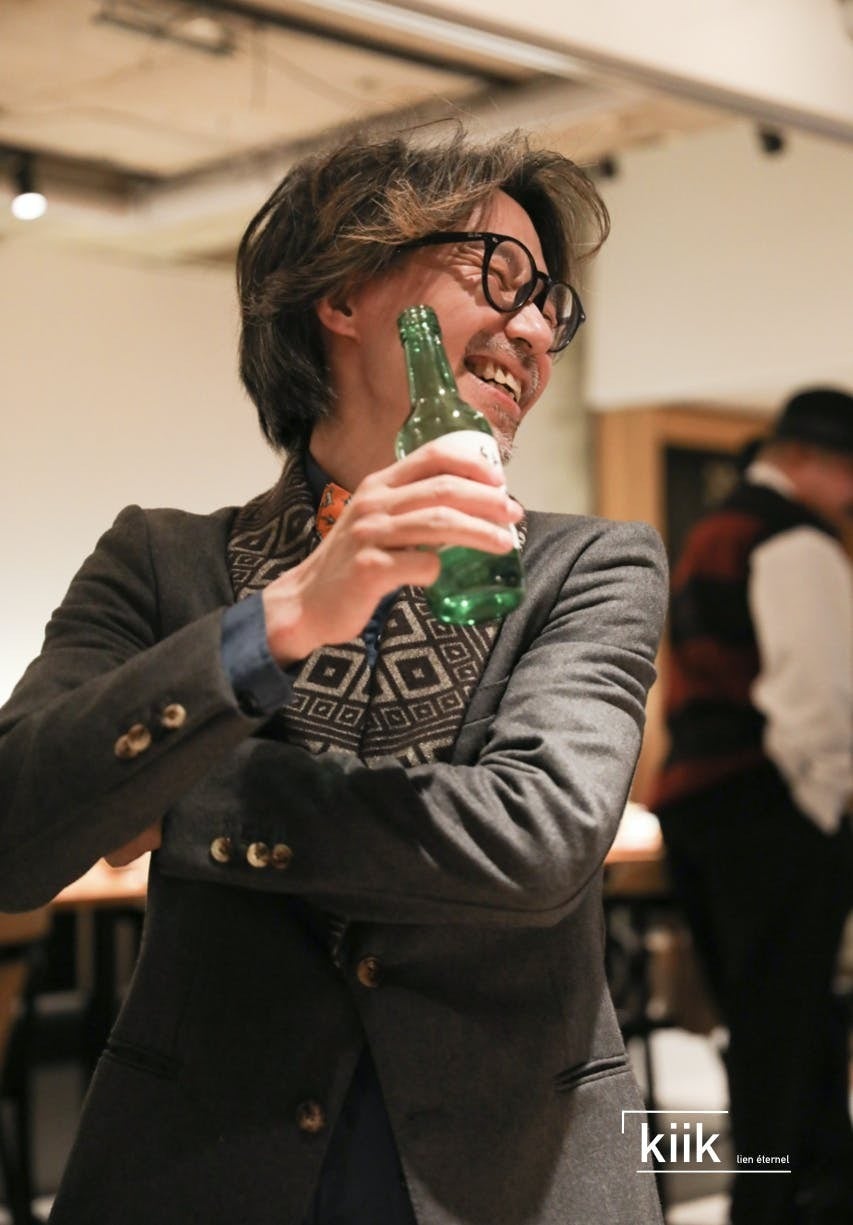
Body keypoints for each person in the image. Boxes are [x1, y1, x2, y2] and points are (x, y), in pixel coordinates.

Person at [0, 128, 668, 1225]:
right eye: (499, 274)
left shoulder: (588, 566)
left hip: (506, 1178)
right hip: (198, 1172)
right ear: (345, 291)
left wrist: (181, 806)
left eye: (551, 302)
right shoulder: (163, 560)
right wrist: (281, 620)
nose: (536, 328)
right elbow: (17, 826)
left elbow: (538, 840)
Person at [652, 388, 853, 1225]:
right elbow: (821, 700)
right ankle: (778, 1203)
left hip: (699, 803)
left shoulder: (715, 529)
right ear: (809, 460)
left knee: (764, 1022)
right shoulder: (790, 537)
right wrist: (826, 808)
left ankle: (791, 1194)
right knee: (787, 1029)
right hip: (769, 807)